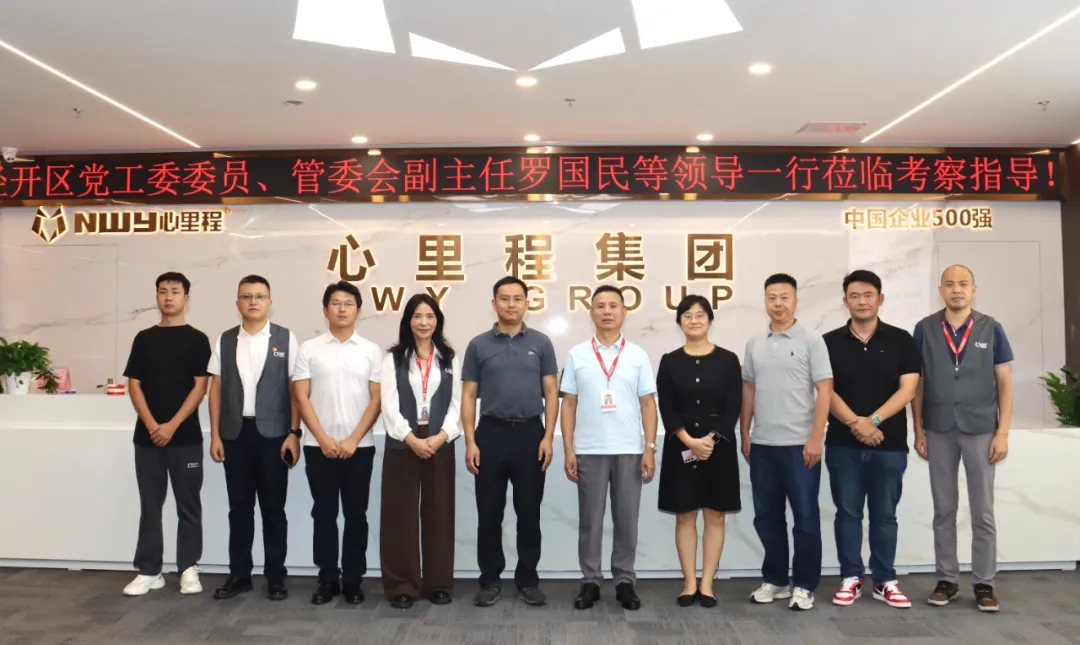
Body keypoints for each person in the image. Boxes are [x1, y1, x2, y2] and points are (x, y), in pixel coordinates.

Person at [912, 264, 1013, 613]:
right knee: (944, 509)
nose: (957, 290)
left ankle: (984, 583)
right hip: (938, 428)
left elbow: (1004, 383)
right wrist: (918, 429)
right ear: (940, 290)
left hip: (981, 428)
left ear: (974, 289)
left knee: (982, 511)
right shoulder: (924, 328)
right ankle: (947, 579)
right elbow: (917, 382)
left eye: (963, 284)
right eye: (950, 284)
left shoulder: (991, 327)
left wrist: (1002, 432)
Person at [823, 270, 921, 609]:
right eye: (854, 295)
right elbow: (825, 390)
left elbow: (909, 389)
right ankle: (851, 577)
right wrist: (856, 423)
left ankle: (884, 580)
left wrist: (873, 421)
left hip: (889, 445)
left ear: (880, 299)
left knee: (885, 516)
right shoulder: (828, 342)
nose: (861, 301)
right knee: (847, 513)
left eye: (868, 295)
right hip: (843, 444)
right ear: (845, 301)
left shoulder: (901, 339)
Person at [462, 276, 559, 608]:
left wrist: (548, 436)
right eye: (504, 298)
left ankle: (527, 580)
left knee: (529, 512)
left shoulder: (541, 343)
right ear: (494, 304)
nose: (511, 304)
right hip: (490, 435)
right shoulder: (478, 345)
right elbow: (468, 395)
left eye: (518, 298)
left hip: (531, 434)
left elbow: (551, 393)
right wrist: (470, 441)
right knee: (489, 512)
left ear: (527, 303)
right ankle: (490, 580)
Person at [560, 285, 658, 611]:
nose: (607, 311)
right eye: (600, 305)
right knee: (590, 521)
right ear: (591, 312)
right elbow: (568, 404)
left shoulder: (637, 355)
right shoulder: (577, 354)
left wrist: (649, 448)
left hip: (629, 449)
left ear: (624, 312)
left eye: (613, 305)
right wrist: (569, 449)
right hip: (589, 450)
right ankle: (590, 580)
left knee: (626, 520)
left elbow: (648, 404)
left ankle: (624, 581)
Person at [740, 273, 832, 611]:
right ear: (765, 301)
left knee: (805, 519)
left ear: (795, 301)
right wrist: (745, 432)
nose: (777, 304)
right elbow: (748, 388)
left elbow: (825, 389)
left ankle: (804, 585)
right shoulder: (754, 342)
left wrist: (816, 436)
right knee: (767, 517)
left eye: (784, 297)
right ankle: (776, 580)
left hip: (800, 446)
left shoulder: (811, 340)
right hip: (763, 444)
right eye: (771, 298)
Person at [207, 275, 301, 601]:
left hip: (274, 435)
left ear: (269, 302)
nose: (253, 302)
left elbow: (296, 389)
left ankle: (276, 576)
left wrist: (294, 433)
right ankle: (239, 575)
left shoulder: (286, 338)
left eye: (259, 296)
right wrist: (215, 435)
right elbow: (216, 389)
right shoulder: (225, 340)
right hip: (235, 435)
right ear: (237, 303)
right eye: (246, 296)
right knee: (239, 508)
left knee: (274, 509)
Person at [121, 271, 212, 597]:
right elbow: (134, 385)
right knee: (150, 504)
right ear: (156, 297)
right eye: (163, 291)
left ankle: (188, 568)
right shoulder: (143, 338)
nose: (168, 297)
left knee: (188, 505)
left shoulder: (197, 339)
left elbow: (200, 387)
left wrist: (172, 425)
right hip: (147, 439)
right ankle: (149, 571)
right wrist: (152, 425)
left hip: (185, 437)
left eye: (175, 291)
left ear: (186, 298)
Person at [293, 281, 383, 605]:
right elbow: (301, 397)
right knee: (324, 514)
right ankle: (327, 579)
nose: (342, 309)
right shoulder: (309, 349)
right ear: (325, 309)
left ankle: (353, 580)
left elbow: (376, 400)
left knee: (356, 515)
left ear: (358, 311)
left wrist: (353, 440)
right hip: (318, 448)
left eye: (348, 303)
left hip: (360, 448)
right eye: (335, 303)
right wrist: (323, 439)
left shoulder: (372, 351)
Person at [656, 294, 742, 608]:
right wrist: (689, 441)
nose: (694, 320)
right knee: (685, 514)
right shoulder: (669, 360)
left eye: (700, 314)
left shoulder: (728, 360)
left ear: (710, 320)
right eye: (687, 315)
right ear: (679, 322)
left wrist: (710, 440)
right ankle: (689, 582)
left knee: (715, 514)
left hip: (718, 449)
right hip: (681, 447)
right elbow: (666, 407)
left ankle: (707, 583)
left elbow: (733, 406)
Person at [379, 294, 462, 609]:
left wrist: (442, 436)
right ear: (408, 321)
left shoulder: (449, 358)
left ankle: (438, 583)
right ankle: (402, 585)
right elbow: (388, 404)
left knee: (439, 511)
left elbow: (458, 403)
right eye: (417, 316)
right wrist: (411, 438)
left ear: (437, 320)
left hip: (440, 441)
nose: (424, 322)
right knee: (399, 514)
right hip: (403, 442)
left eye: (429, 316)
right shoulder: (393, 358)